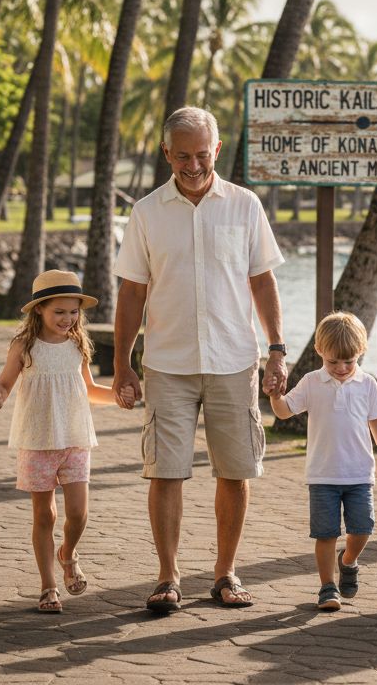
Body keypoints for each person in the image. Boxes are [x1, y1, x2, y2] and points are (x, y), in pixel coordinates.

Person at [113, 106, 287, 613]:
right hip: (167, 362)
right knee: (165, 472)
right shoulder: (146, 212)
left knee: (234, 471)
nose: (193, 165)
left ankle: (226, 573)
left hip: (235, 360)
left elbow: (262, 281)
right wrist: (123, 364)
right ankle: (167, 578)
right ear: (166, 153)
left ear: (216, 150)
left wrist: (276, 350)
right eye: (182, 155)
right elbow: (131, 292)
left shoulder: (245, 205)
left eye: (202, 154)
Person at [0, 269, 114, 613]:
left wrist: (119, 394)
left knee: (78, 513)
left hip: (75, 438)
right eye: (59, 311)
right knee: (44, 515)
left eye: (73, 311)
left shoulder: (78, 344)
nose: (67, 319)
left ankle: (68, 552)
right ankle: (48, 587)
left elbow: (90, 390)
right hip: (37, 440)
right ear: (39, 310)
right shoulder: (24, 345)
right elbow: (4, 386)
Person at [267, 311, 377, 611]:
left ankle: (348, 561)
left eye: (348, 361)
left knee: (362, 528)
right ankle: (327, 587)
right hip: (322, 475)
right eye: (333, 361)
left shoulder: (367, 384)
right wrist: (275, 395)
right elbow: (284, 411)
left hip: (359, 474)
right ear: (320, 351)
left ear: (360, 353)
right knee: (326, 534)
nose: (341, 368)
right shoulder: (312, 382)